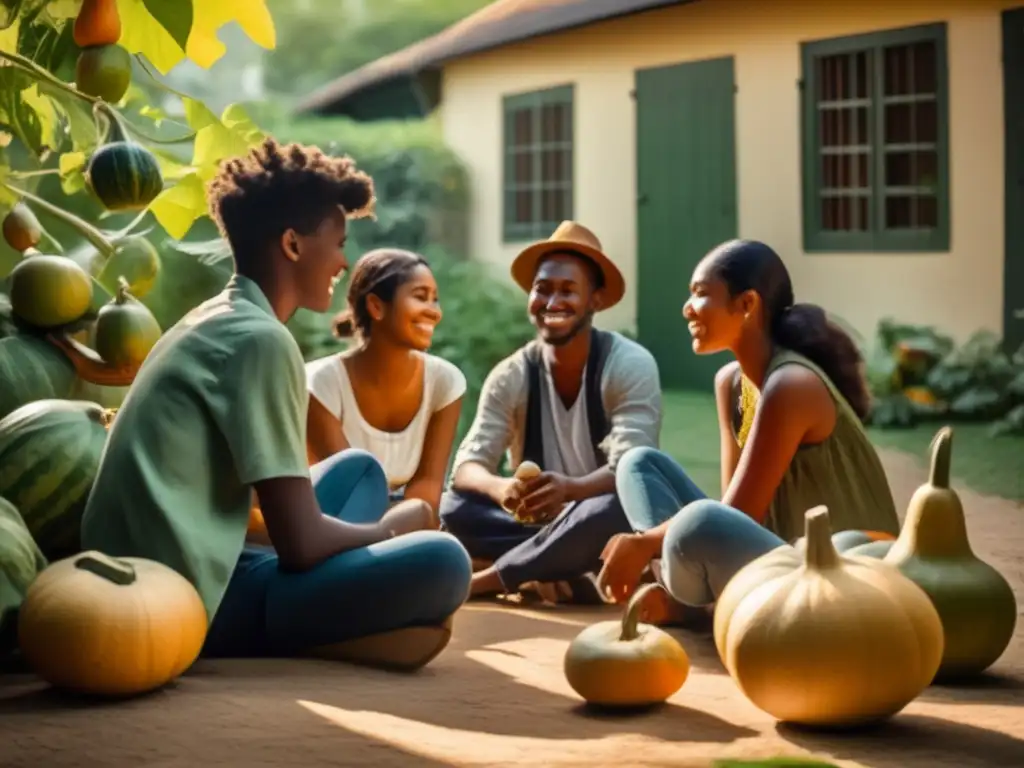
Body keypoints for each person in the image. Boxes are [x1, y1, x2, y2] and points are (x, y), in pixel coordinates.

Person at [78, 138, 472, 670]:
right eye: (337, 243)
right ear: (292, 244)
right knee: (443, 561)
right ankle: (324, 634)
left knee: (359, 473)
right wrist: (396, 529)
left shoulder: (222, 316)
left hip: (194, 554)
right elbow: (301, 545)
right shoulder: (260, 341)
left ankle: (342, 622)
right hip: (180, 597)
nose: (343, 261)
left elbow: (283, 520)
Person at [599, 239, 900, 624]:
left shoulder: (792, 384)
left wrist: (644, 544)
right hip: (776, 558)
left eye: (701, 294)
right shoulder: (731, 384)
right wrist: (655, 544)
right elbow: (740, 514)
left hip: (845, 578)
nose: (687, 308)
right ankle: (701, 602)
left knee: (700, 523)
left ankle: (696, 605)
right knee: (639, 464)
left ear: (747, 305)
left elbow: (732, 513)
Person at [439, 221, 662, 603]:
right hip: (538, 523)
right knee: (453, 506)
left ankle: (492, 577)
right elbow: (467, 466)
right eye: (542, 289)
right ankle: (562, 568)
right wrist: (502, 488)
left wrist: (571, 490)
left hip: (597, 518)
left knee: (615, 510)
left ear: (595, 299)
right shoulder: (511, 375)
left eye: (568, 290)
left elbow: (631, 467)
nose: (552, 302)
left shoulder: (628, 364)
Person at [305, 249, 466, 516]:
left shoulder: (445, 382)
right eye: (420, 297)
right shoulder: (320, 385)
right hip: (333, 528)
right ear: (376, 306)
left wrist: (406, 530)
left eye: (435, 300)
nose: (435, 312)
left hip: (402, 524)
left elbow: (427, 492)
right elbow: (350, 493)